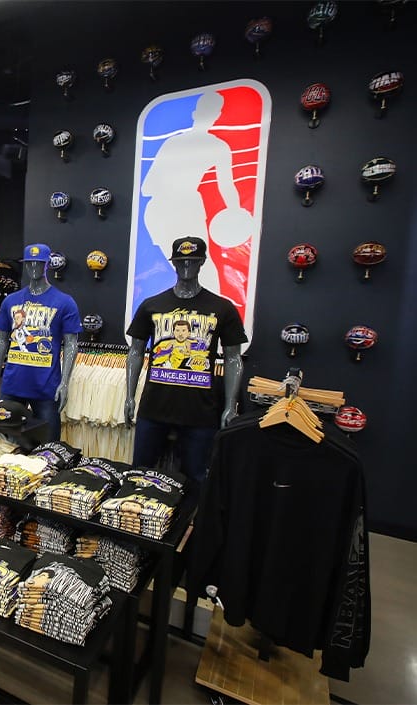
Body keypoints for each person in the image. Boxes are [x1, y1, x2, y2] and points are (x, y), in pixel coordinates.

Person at [125, 236, 246, 486]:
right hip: (154, 407)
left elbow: (234, 357)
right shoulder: (151, 306)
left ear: (202, 262)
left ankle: (192, 525)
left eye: (192, 261)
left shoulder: (223, 308)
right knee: (139, 475)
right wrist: (128, 397)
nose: (187, 267)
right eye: (181, 261)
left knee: (197, 480)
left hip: (201, 412)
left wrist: (230, 404)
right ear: (173, 263)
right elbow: (135, 352)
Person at [140, 90, 252, 295]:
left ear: (195, 114)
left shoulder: (174, 143)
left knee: (188, 266)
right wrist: (235, 212)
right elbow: (226, 187)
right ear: (216, 116)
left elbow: (147, 187)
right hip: (178, 208)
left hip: (164, 209)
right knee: (196, 267)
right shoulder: (217, 146)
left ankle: (199, 311)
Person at [0, 243, 82, 441]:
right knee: (5, 444)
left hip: (46, 387)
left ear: (47, 265)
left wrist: (65, 382)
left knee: (47, 446)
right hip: (12, 385)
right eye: (29, 263)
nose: (34, 267)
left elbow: (72, 344)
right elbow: (1, 340)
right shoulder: (11, 301)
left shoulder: (64, 302)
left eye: (39, 263)